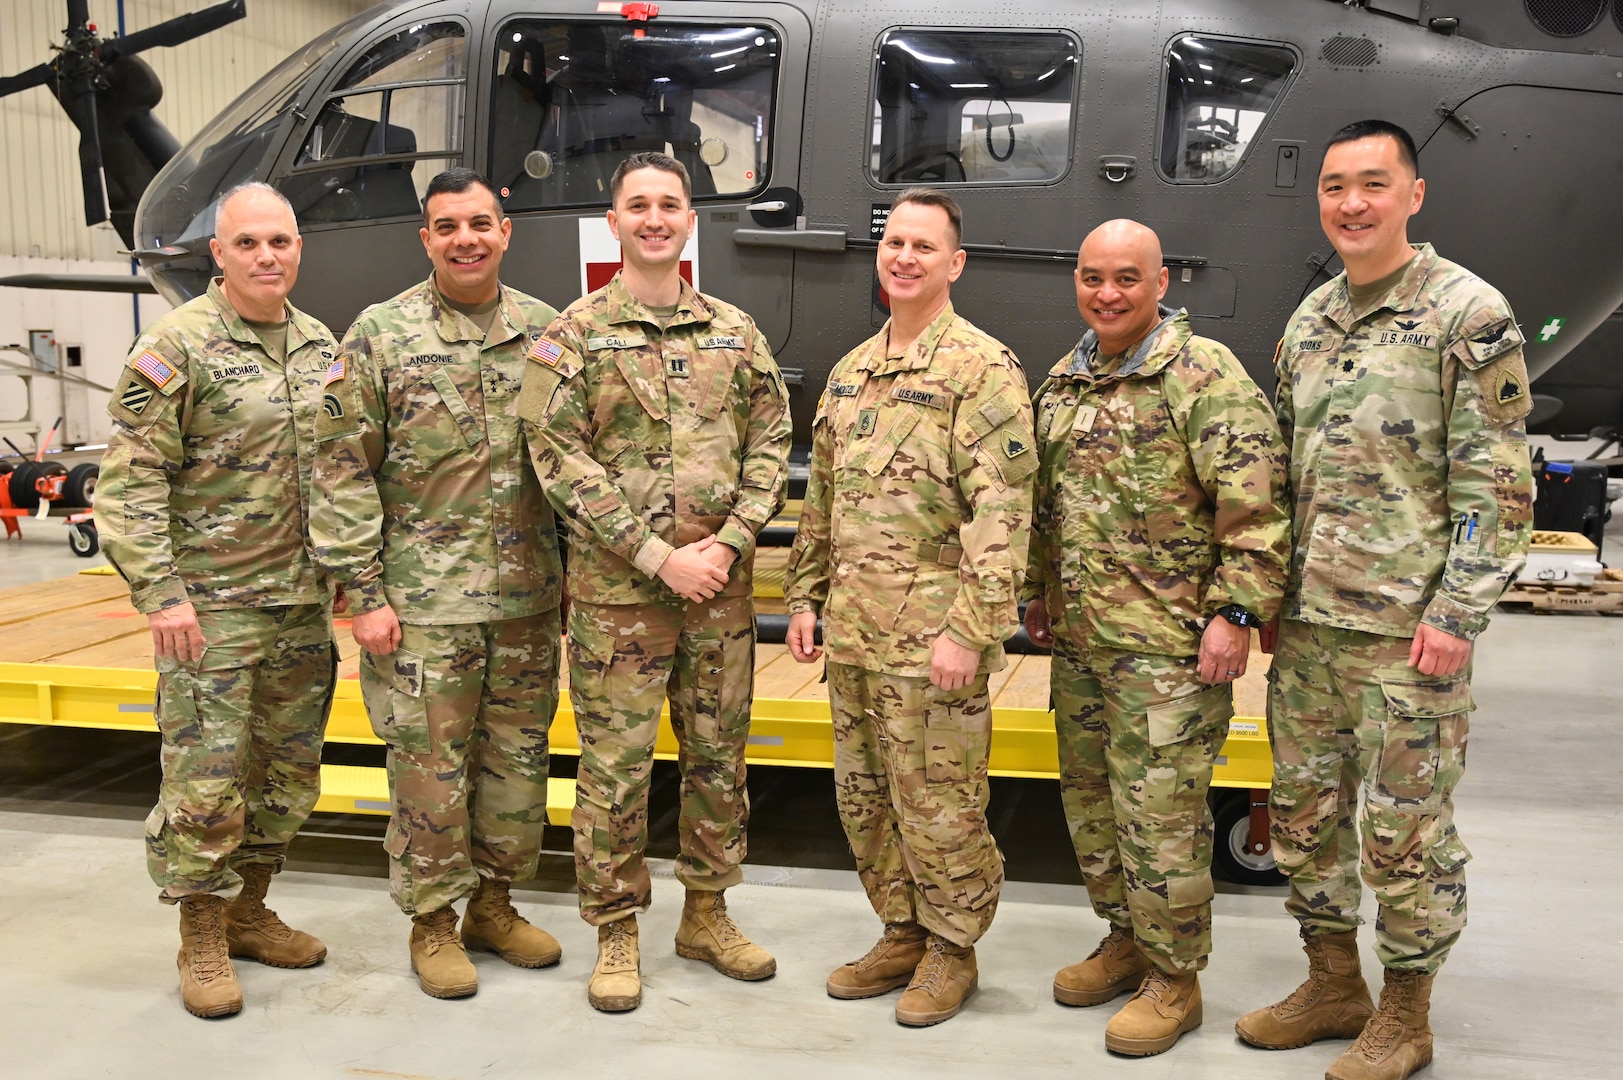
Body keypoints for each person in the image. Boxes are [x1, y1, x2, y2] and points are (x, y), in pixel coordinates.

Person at [1234, 120, 1534, 1080]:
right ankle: (1332, 985)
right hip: (1313, 629)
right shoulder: (1309, 321)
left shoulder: (1465, 314)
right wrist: (1268, 594)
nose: (1350, 203)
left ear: (1413, 194)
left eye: (1371, 183)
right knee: (1304, 816)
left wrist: (1456, 613)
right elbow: (1284, 474)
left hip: (1408, 637)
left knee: (1405, 835)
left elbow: (1500, 489)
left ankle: (1405, 1016)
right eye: (1333, 187)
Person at [518, 152, 791, 1013]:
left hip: (720, 594)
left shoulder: (737, 332)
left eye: (668, 204)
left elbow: (772, 448)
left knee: (718, 760)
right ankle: (614, 926)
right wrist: (653, 553)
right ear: (614, 222)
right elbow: (553, 454)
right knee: (614, 768)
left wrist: (732, 541)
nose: (653, 218)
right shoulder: (569, 337)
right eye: (637, 205)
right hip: (618, 600)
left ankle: (706, 914)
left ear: (690, 222)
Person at [1022, 219, 1291, 1055]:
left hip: (1170, 653)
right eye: (1093, 277)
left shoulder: (1204, 377)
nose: (1107, 294)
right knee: (1092, 807)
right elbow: (1046, 507)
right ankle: (1126, 938)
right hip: (1080, 644)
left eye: (1126, 278)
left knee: (1162, 820)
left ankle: (1175, 979)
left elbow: (1254, 509)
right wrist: (1036, 591)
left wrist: (1235, 613)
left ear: (1163, 281)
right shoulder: (1063, 383)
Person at [310, 168, 564, 1000]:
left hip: (527, 602)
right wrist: (365, 593)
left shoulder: (548, 334)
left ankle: (493, 905)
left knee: (518, 767)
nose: (466, 239)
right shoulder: (380, 337)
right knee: (428, 770)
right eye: (447, 226)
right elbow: (341, 469)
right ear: (426, 239)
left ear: (505, 231)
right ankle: (431, 922)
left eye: (480, 223)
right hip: (423, 607)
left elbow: (576, 465)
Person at [783, 187, 1035, 1027]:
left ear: (953, 264)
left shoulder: (981, 370)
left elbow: (1002, 515)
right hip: (854, 633)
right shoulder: (855, 371)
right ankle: (901, 930)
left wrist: (972, 631)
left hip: (933, 641)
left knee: (939, 802)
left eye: (923, 246)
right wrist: (804, 595)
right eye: (893, 243)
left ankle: (951, 948)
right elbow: (822, 499)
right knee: (865, 799)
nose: (904, 258)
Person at [96, 181, 339, 1018]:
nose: (266, 256)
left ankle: (247, 909)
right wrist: (163, 596)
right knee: (206, 781)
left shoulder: (317, 344)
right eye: (248, 244)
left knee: (288, 774)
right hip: (213, 610)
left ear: (298, 247)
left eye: (280, 241)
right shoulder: (176, 347)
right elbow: (129, 484)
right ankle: (200, 931)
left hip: (301, 606)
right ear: (218, 254)